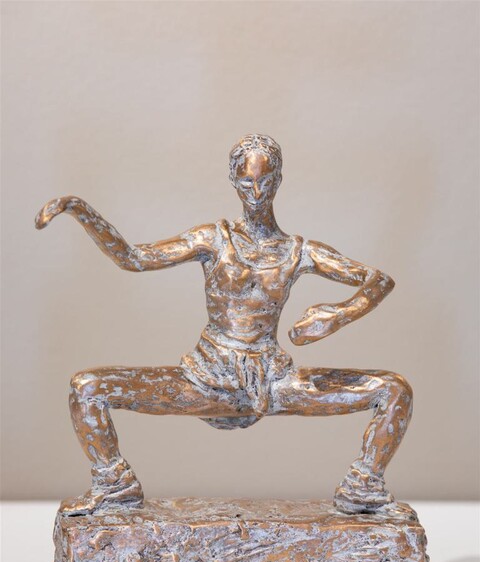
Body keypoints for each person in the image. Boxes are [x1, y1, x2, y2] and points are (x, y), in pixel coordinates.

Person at [35, 134, 412, 516]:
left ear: (279, 180)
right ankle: (114, 485)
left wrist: (338, 315)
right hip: (207, 377)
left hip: (270, 379)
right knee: (87, 388)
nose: (256, 192)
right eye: (247, 182)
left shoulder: (298, 251)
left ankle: (363, 489)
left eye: (265, 181)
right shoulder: (214, 239)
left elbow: (378, 280)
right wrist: (80, 210)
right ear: (233, 181)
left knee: (394, 390)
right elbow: (133, 258)